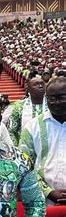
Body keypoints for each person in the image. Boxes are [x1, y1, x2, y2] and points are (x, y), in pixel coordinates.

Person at [20, 76, 66, 206]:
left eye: (62, 97)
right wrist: (48, 192)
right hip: (43, 202)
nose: (56, 102)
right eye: (52, 98)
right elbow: (24, 165)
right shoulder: (32, 127)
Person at [3, 77, 47, 146]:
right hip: (24, 148)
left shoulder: (53, 106)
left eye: (42, 84)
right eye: (36, 84)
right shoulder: (18, 107)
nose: (40, 86)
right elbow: (11, 131)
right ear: (28, 89)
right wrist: (17, 149)